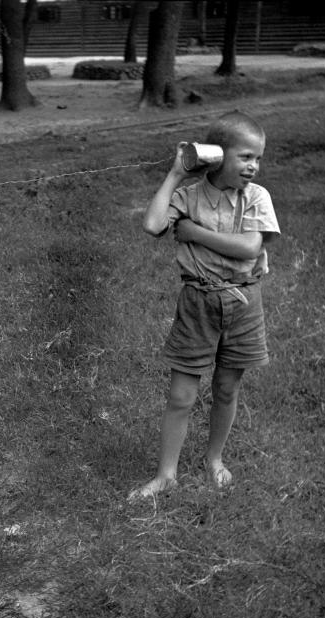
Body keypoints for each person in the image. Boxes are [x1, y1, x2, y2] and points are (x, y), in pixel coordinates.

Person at [129, 111, 280, 499]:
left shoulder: (256, 196)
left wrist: (193, 232)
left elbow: (250, 248)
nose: (253, 166)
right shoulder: (188, 195)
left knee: (227, 388)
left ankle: (214, 459)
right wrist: (176, 173)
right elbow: (152, 225)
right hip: (197, 302)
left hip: (244, 301)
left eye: (258, 158)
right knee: (181, 394)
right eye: (245, 156)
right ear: (216, 155)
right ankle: (166, 474)